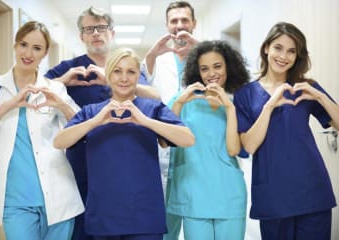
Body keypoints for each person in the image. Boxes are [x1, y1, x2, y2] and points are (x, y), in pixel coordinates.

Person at [53, 47, 195, 240]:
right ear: (109, 75)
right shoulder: (92, 111)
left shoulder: (151, 108)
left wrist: (144, 121)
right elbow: (60, 141)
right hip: (104, 215)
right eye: (117, 71)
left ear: (139, 76)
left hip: (145, 215)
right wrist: (97, 121)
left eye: (131, 72)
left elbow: (188, 138)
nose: (124, 78)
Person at [45, 7, 159, 240]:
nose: (96, 33)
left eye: (101, 28)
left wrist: (112, 78)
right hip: (82, 161)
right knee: (85, 227)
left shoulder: (125, 66)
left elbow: (155, 97)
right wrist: (62, 81)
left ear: (112, 33)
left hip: (125, 162)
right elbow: (36, 93)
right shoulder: (70, 67)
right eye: (89, 29)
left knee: (123, 224)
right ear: (81, 36)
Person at [0, 21, 84, 240]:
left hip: (57, 195)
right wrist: (10, 104)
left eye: (37, 48)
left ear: (45, 53)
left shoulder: (55, 88)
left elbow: (82, 128)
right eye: (24, 45)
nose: (28, 53)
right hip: (14, 199)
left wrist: (61, 105)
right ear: (15, 46)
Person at [234, 22, 339, 240]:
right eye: (278, 48)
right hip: (273, 195)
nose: (284, 56)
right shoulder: (246, 94)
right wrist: (270, 105)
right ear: (266, 48)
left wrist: (320, 96)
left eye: (292, 51)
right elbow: (249, 145)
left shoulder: (305, 88)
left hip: (312, 191)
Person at [166, 40, 249, 240]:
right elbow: (166, 138)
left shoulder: (236, 102)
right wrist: (179, 101)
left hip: (228, 192)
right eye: (204, 69)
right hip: (194, 193)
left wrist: (229, 108)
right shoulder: (183, 100)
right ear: (197, 72)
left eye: (217, 66)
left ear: (228, 67)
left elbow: (232, 150)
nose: (211, 73)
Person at [142, 2, 199, 238]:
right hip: (163, 150)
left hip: (197, 150)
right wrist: (152, 54)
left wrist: (202, 50)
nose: (179, 26)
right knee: (165, 226)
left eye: (185, 20)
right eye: (174, 21)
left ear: (194, 24)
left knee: (198, 222)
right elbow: (140, 85)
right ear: (167, 25)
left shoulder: (207, 58)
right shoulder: (159, 61)